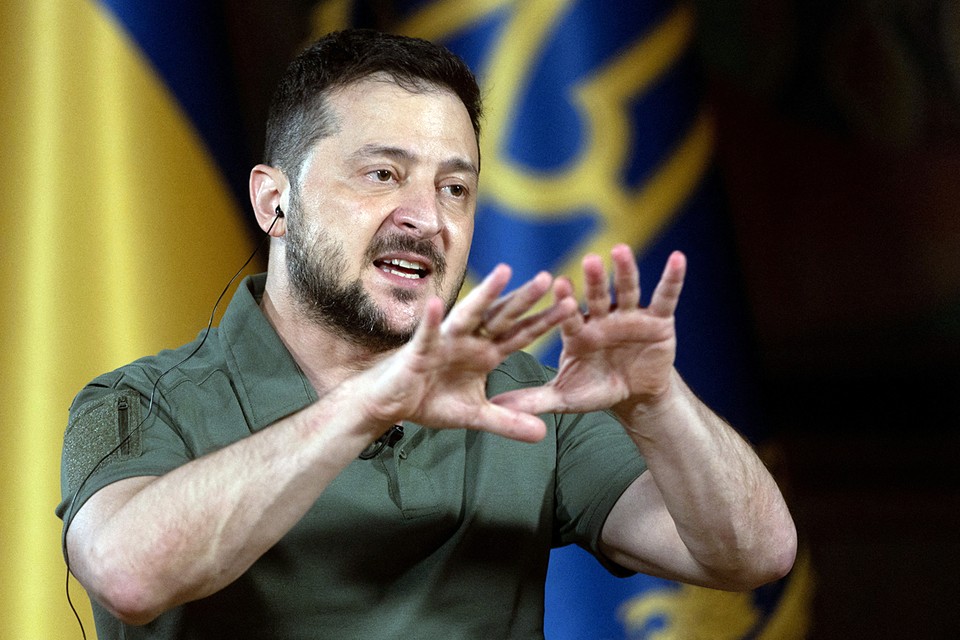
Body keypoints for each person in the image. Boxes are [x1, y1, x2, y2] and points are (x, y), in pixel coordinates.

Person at [57, 29, 796, 639]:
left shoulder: (528, 400)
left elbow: (755, 555)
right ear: (274, 201)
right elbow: (128, 575)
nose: (427, 218)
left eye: (455, 188)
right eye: (383, 174)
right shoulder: (135, 402)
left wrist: (658, 402)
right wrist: (366, 403)